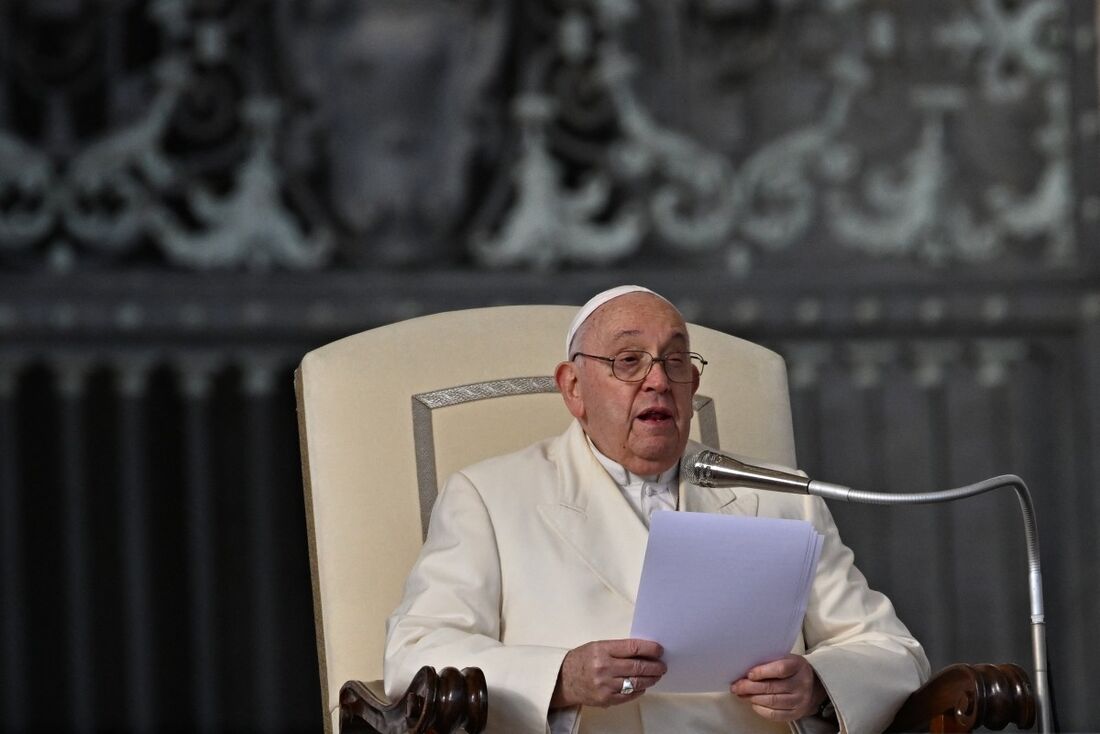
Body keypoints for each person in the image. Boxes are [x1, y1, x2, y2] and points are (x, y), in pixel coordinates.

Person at [385, 285, 930, 733]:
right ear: (573, 388)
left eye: (675, 361)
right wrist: (559, 677)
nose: (657, 380)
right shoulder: (488, 496)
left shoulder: (781, 494)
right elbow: (415, 654)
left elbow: (894, 651)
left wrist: (816, 683)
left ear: (693, 384)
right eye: (628, 361)